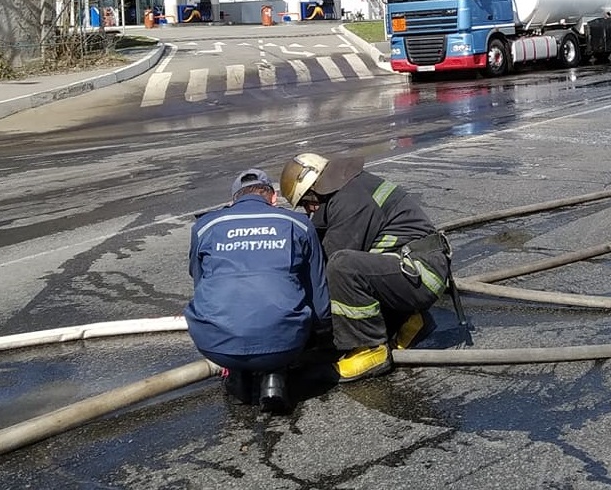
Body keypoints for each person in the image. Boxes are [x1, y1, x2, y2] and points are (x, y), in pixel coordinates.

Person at [280, 153, 452, 382]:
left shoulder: (350, 201)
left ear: (314, 191)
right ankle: (409, 321)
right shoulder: (343, 191)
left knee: (342, 267)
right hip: (410, 272)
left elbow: (326, 263)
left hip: (421, 274)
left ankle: (370, 349)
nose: (308, 210)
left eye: (305, 203)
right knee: (347, 268)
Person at [185, 169, 331, 413]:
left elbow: (199, 283)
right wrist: (319, 338)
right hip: (286, 343)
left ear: (233, 200)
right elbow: (318, 295)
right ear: (273, 198)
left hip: (216, 345)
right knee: (283, 306)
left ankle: (237, 375)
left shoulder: (204, 226)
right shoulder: (298, 224)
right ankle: (275, 375)